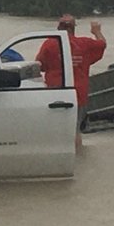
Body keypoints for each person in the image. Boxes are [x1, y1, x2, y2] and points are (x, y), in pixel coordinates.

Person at [35, 14, 106, 146]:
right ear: (74, 28)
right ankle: (79, 160)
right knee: (75, 130)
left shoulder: (49, 44)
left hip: (56, 93)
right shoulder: (85, 44)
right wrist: (96, 31)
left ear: (58, 28)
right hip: (78, 94)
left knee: (55, 130)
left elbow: (39, 65)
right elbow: (102, 44)